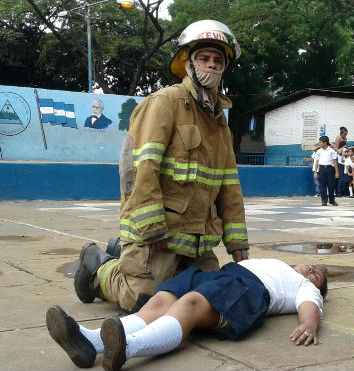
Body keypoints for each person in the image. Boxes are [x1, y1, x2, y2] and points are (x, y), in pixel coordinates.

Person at [73, 20, 250, 314]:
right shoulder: (164, 103)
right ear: (189, 64)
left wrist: (237, 243)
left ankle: (123, 256)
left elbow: (229, 188)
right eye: (204, 58)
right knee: (144, 302)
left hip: (198, 242)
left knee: (211, 300)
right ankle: (98, 269)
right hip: (159, 236)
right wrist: (152, 228)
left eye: (218, 61)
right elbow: (139, 169)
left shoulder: (220, 124)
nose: (212, 65)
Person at [46, 259, 327, 371]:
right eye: (313, 266)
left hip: (247, 291)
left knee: (190, 304)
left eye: (318, 276)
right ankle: (91, 342)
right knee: (160, 300)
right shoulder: (279, 262)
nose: (312, 270)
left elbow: (309, 306)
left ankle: (128, 348)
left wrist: (309, 324)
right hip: (222, 275)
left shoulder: (302, 286)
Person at [313, 136, 339, 206]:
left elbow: (334, 161)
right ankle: (324, 200)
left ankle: (331, 200)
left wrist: (337, 172)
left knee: (331, 185)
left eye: (320, 142)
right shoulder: (319, 151)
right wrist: (315, 172)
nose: (319, 143)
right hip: (321, 169)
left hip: (330, 169)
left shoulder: (331, 151)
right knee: (322, 186)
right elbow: (317, 162)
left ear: (325, 143)